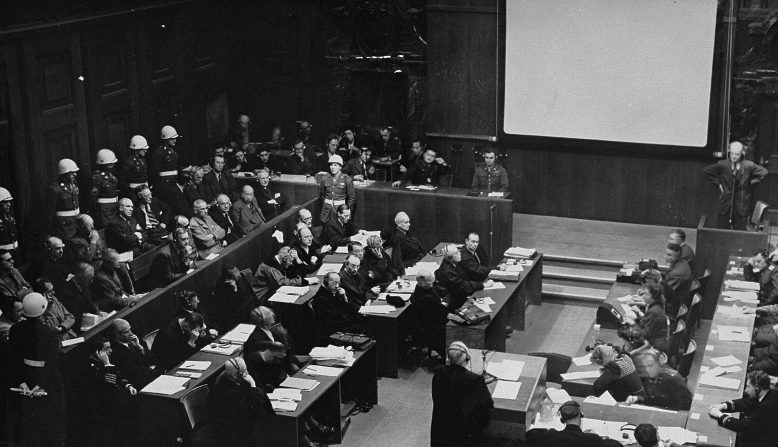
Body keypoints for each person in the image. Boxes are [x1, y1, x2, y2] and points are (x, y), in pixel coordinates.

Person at [9, 292, 67, 447]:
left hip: (26, 379)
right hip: (48, 382)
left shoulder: (16, 330)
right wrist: (42, 384)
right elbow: (52, 363)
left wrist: (21, 381)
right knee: (53, 426)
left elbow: (14, 359)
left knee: (29, 426)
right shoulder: (49, 333)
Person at [430, 341, 493, 447]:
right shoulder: (475, 380)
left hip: (441, 432)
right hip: (466, 435)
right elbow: (486, 409)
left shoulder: (439, 373)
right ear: (466, 359)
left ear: (448, 359)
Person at [205, 357, 273, 446]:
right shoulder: (226, 391)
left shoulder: (230, 380)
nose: (247, 374)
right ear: (234, 375)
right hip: (229, 432)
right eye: (245, 371)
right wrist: (253, 385)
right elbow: (249, 412)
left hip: (234, 423)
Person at [703, 141, 768, 230]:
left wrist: (750, 183)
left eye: (737, 154)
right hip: (726, 204)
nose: (734, 156)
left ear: (742, 153)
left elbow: (764, 172)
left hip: (741, 205)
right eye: (732, 153)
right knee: (722, 231)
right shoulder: (723, 164)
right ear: (729, 152)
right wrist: (718, 184)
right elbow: (707, 171)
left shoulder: (748, 165)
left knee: (740, 231)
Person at [87, 337, 138, 445]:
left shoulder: (106, 361)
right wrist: (106, 365)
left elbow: (118, 376)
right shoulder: (92, 368)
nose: (111, 351)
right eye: (107, 348)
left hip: (116, 400)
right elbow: (109, 387)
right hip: (106, 407)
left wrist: (128, 386)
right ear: (98, 352)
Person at [708, 370, 778, 447]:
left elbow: (743, 426)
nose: (746, 390)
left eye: (748, 386)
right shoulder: (769, 392)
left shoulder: (766, 407)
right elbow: (746, 402)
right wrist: (724, 405)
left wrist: (719, 415)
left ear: (757, 389)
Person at [243, 306, 293, 389]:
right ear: (263, 320)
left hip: (282, 375)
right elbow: (261, 368)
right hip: (271, 382)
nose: (272, 314)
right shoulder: (256, 340)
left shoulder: (273, 332)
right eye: (269, 313)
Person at [526, 400, 614, 447]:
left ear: (562, 419)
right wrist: (594, 437)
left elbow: (530, 434)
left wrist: (551, 431)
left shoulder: (553, 437)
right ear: (581, 415)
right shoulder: (592, 439)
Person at [627, 351, 691, 410]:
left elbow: (687, 403)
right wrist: (637, 398)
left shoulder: (673, 379)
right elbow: (655, 399)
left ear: (659, 364)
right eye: (645, 366)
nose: (647, 369)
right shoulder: (650, 377)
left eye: (650, 365)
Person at [253, 246, 317, 305]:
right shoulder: (271, 267)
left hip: (272, 291)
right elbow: (283, 283)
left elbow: (298, 273)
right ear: (284, 258)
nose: (291, 264)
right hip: (263, 297)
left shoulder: (282, 262)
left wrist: (297, 259)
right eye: (290, 261)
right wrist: (303, 281)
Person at [436, 244, 493, 310]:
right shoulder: (448, 272)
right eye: (457, 253)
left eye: (458, 251)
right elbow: (462, 286)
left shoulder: (453, 262)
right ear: (450, 258)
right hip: (455, 300)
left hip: (461, 293)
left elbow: (468, 275)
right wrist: (482, 285)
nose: (460, 253)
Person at [410, 271, 449, 359]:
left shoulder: (421, 286)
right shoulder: (425, 298)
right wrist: (444, 303)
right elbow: (440, 310)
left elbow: (439, 290)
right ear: (423, 283)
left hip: (432, 318)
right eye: (431, 282)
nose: (433, 283)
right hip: (431, 326)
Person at [311, 272, 363, 337]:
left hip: (343, 322)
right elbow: (339, 319)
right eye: (333, 283)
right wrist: (356, 318)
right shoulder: (321, 299)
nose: (337, 286)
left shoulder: (333, 291)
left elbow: (344, 310)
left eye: (338, 283)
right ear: (325, 282)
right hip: (335, 330)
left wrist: (344, 297)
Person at [110, 318, 156, 388]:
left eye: (130, 329)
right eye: (126, 332)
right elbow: (134, 373)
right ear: (117, 335)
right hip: (141, 383)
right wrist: (153, 370)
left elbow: (152, 358)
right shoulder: (115, 352)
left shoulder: (133, 341)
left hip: (150, 375)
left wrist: (139, 347)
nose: (131, 333)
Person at [626, 282, 669, 353]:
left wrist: (633, 323)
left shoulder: (654, 311)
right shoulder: (655, 307)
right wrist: (636, 319)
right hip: (655, 343)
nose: (643, 296)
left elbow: (645, 335)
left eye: (646, 294)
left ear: (653, 297)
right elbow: (645, 325)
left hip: (655, 348)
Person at [210, 266, 254, 333]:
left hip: (247, 305)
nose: (239, 276)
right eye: (236, 276)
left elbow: (249, 291)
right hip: (233, 314)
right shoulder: (222, 286)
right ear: (229, 278)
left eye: (238, 273)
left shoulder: (240, 277)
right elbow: (230, 305)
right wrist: (234, 289)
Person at [45, 158, 81, 240]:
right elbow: (49, 213)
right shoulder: (55, 189)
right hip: (63, 228)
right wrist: (49, 233)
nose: (75, 174)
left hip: (76, 225)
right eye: (72, 173)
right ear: (64, 173)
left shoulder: (74, 185)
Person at [58, 262, 99, 332]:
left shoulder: (84, 285)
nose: (91, 281)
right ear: (83, 278)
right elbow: (75, 315)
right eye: (90, 279)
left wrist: (98, 312)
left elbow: (89, 302)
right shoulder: (66, 291)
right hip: (80, 327)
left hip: (89, 320)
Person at [319, 154, 356, 223]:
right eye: (331, 165)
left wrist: (347, 212)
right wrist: (326, 205)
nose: (332, 167)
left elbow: (351, 198)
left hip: (339, 211)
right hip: (326, 211)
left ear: (340, 167)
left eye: (335, 165)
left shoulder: (346, 179)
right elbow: (322, 195)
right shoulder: (325, 178)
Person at [90, 149, 120, 229]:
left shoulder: (110, 174)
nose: (113, 165)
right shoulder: (97, 177)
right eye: (110, 163)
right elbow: (93, 198)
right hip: (104, 209)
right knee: (107, 229)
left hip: (113, 206)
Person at [662, 243, 691, 317]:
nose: (665, 257)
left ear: (677, 255)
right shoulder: (682, 262)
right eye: (666, 254)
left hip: (673, 308)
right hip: (678, 300)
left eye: (669, 255)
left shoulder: (676, 274)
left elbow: (664, 294)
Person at [0, 186, 19, 253]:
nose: (9, 204)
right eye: (5, 202)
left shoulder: (9, 217)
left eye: (9, 201)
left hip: (15, 252)